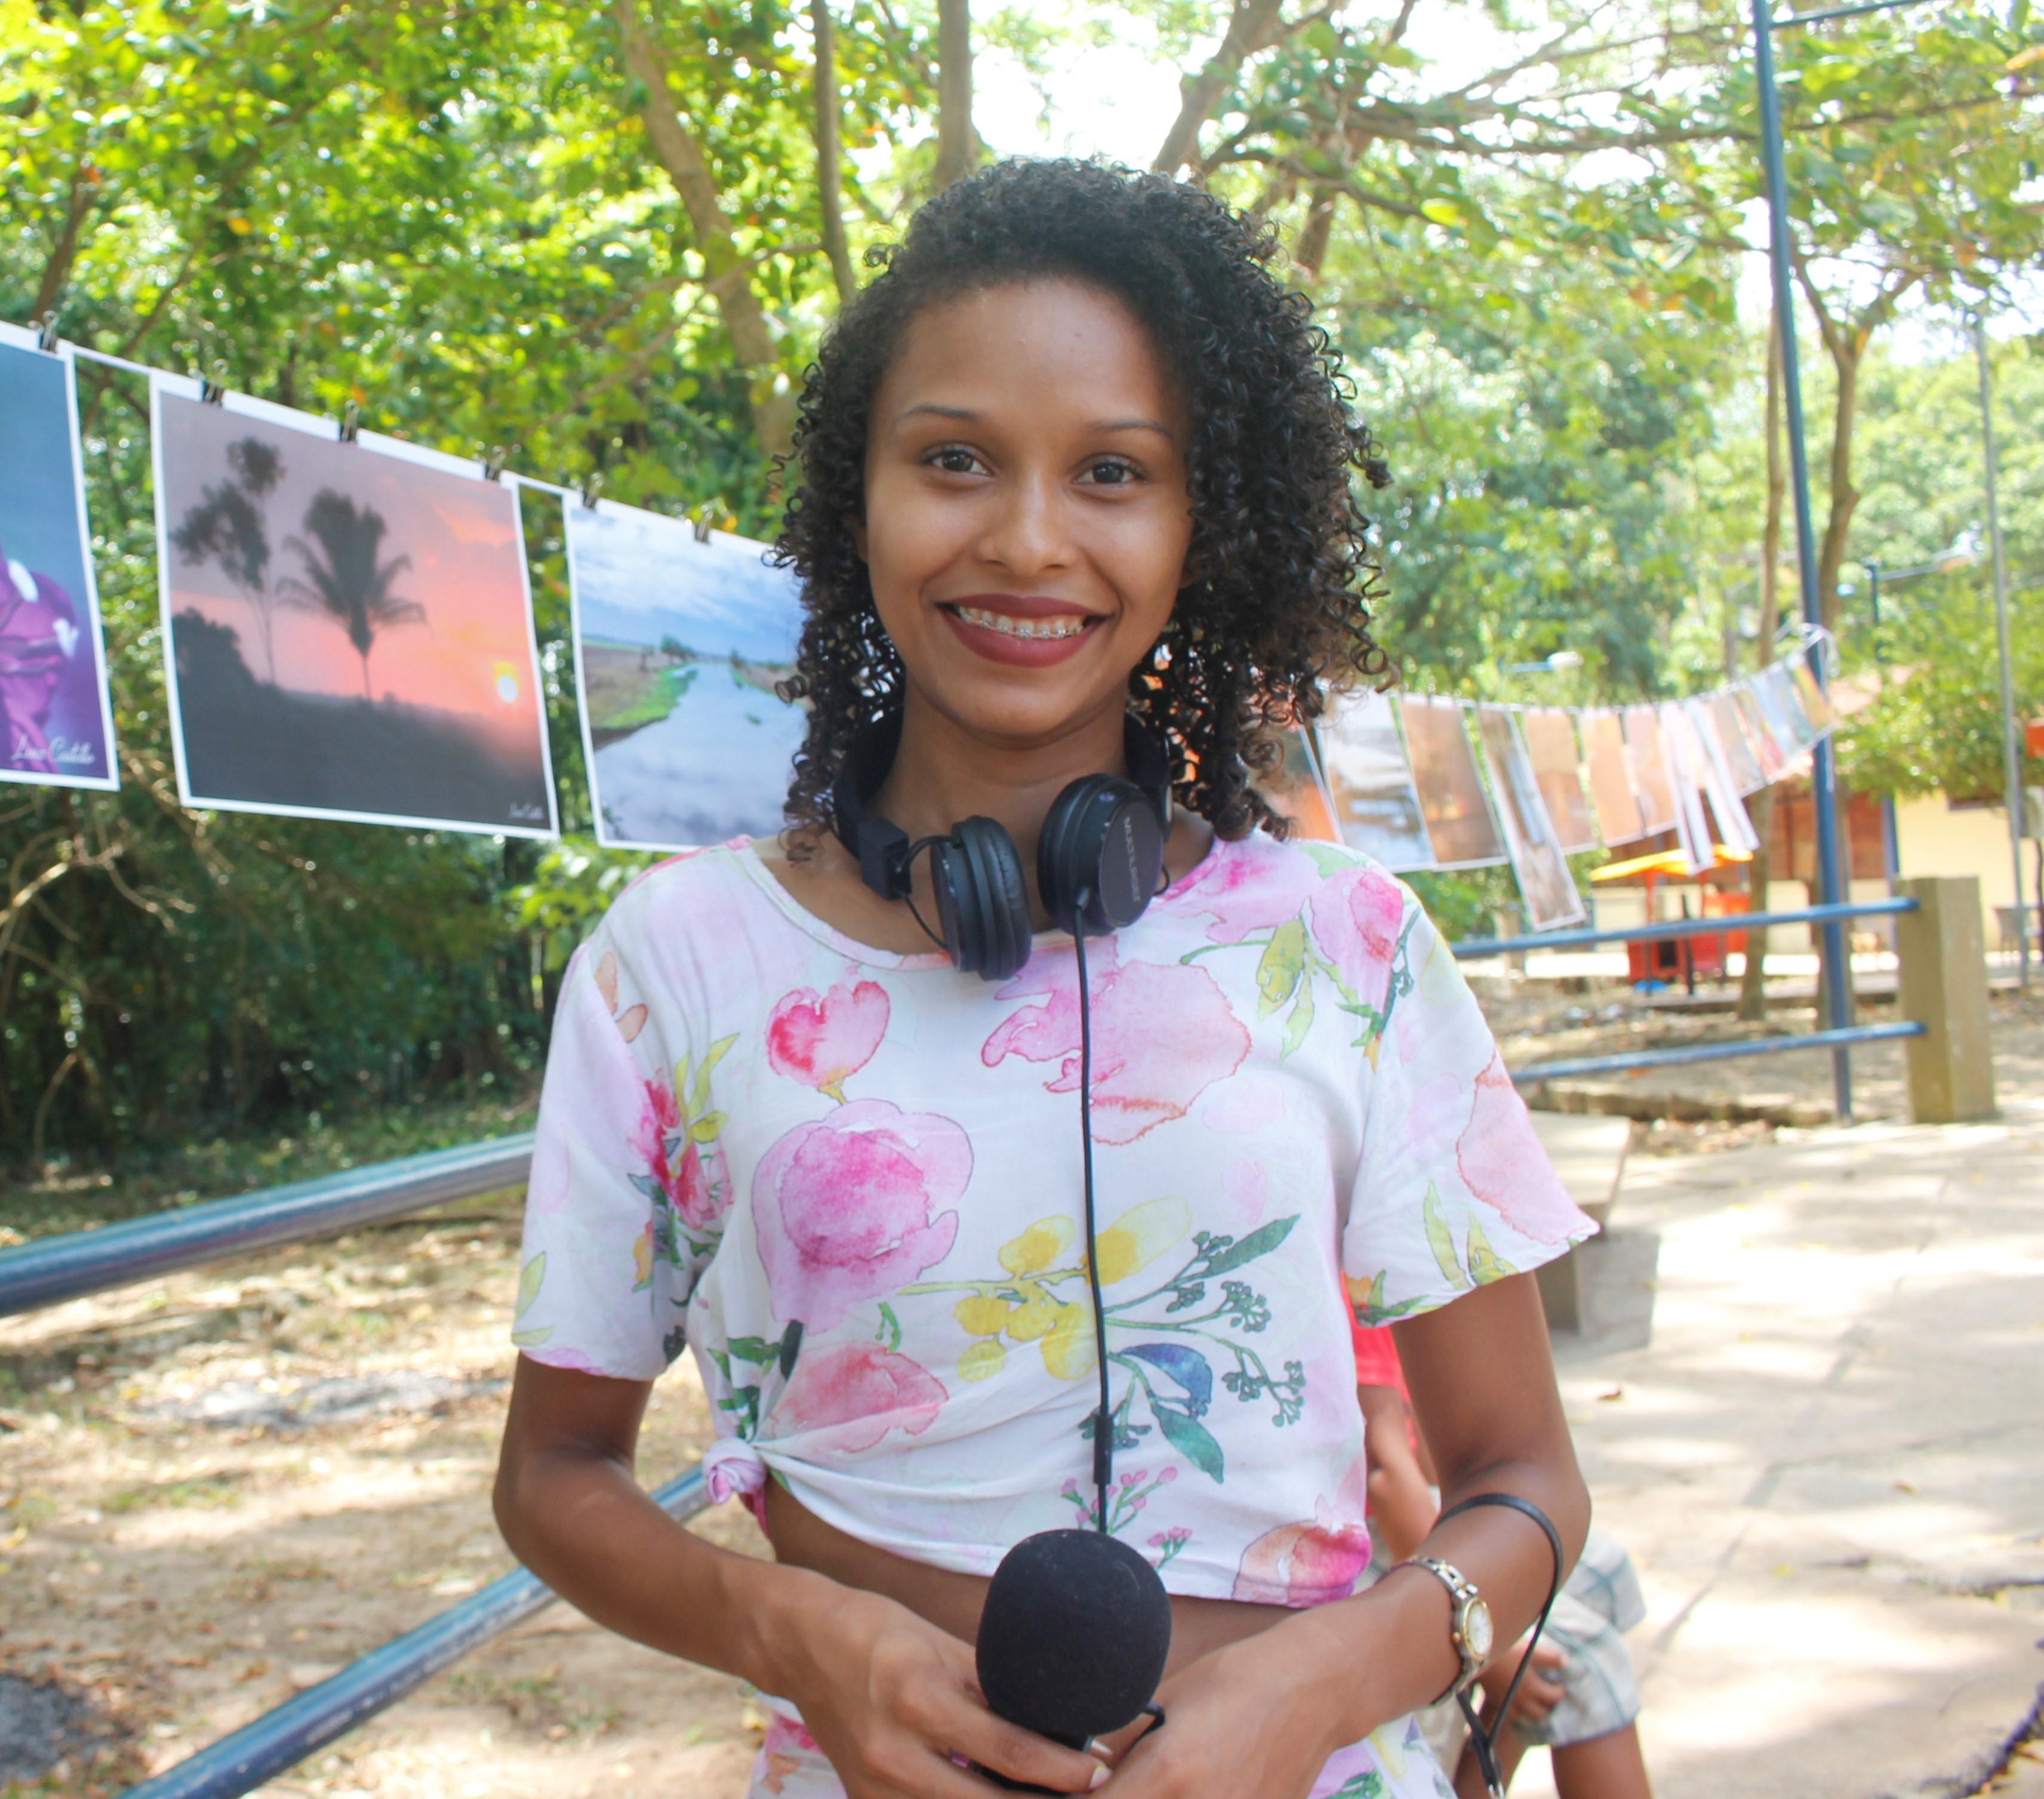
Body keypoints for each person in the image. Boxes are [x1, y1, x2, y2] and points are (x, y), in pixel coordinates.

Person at [490, 158, 1600, 1799]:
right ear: (853, 493)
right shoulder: (674, 961)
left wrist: (1316, 1691)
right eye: (953, 461)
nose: (1026, 539)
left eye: (1112, 473)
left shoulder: (1345, 943)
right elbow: (554, 1475)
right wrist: (793, 1634)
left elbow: (1525, 1479)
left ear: (1196, 524)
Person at [1352, 1303, 1654, 1799]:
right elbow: (1386, 1477)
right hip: (1373, 1529)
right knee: (1582, 1666)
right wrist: (1489, 1640)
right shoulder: (1354, 1290)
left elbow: (1437, 1455)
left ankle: (1477, 1779)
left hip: (1437, 1506)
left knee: (1604, 1574)